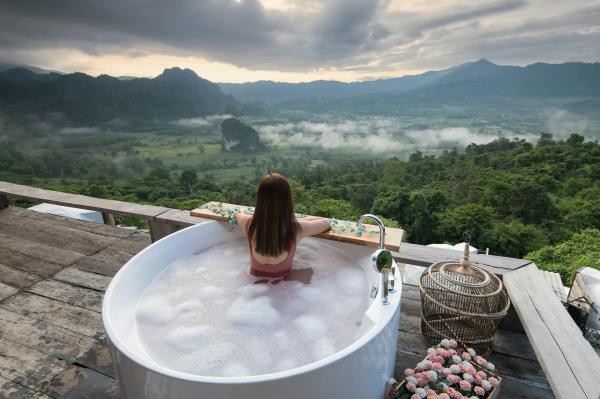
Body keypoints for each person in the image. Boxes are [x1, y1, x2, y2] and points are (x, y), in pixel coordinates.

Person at [236, 173, 330, 277]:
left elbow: (240, 213)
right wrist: (294, 219)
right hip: (284, 285)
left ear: (260, 199)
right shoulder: (297, 228)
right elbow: (326, 222)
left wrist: (258, 215)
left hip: (253, 282)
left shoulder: (248, 223)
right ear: (288, 201)